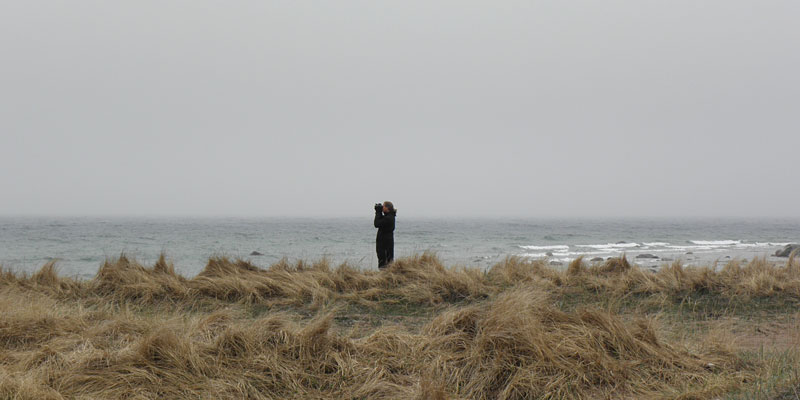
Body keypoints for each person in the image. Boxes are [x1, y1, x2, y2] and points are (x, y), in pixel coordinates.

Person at [374, 201, 396, 268]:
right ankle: (387, 272)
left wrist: (378, 212)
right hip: (386, 241)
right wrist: (379, 212)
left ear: (387, 208)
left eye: (383, 206)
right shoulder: (389, 216)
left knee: (383, 260)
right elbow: (380, 221)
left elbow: (377, 223)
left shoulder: (389, 218)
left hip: (384, 243)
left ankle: (384, 273)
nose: (382, 208)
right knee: (387, 260)